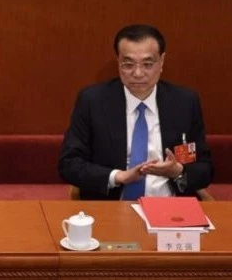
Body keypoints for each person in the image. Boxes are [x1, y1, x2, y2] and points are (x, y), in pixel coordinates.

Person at [59, 24, 212, 200]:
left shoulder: (185, 102)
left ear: (161, 62)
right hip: (112, 207)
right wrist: (118, 177)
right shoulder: (93, 101)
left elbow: (205, 169)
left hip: (170, 207)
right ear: (118, 62)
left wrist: (177, 171)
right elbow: (69, 164)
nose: (138, 73)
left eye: (147, 64)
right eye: (128, 64)